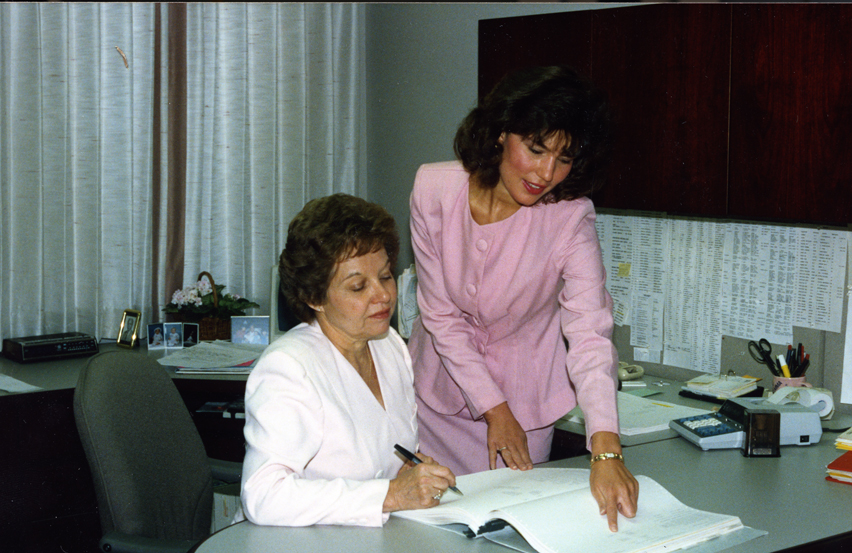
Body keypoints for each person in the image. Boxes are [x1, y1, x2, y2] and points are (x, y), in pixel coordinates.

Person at [407, 66, 639, 531]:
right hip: (434, 404)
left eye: (564, 158)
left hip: (527, 413)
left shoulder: (569, 218)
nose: (546, 173)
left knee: (507, 534)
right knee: (425, 532)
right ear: (499, 134)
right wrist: (495, 409)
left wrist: (606, 448)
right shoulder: (434, 189)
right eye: (535, 149)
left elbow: (589, 332)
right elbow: (439, 314)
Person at [238, 193, 456, 527]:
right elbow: (263, 497)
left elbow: (387, 455)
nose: (382, 295)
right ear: (314, 297)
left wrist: (407, 474)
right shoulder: (289, 367)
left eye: (385, 276)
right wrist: (391, 494)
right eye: (358, 287)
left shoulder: (390, 346)